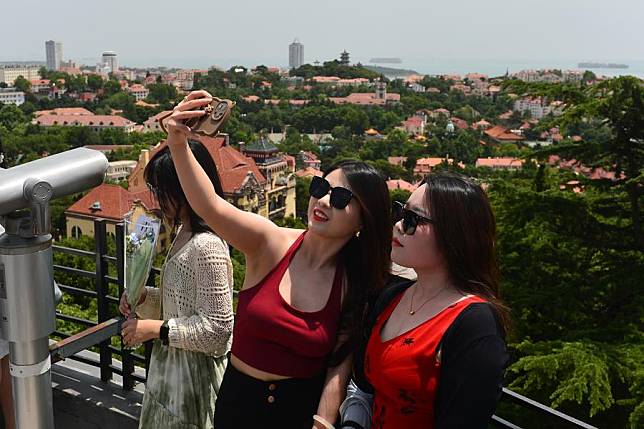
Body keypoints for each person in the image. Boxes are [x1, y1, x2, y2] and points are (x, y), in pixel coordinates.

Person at [163, 90, 392, 429]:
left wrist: (325, 420)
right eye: (320, 187)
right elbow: (209, 205)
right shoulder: (270, 243)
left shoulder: (351, 280)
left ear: (364, 221)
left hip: (299, 412)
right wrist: (177, 142)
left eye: (341, 197)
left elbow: (339, 364)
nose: (324, 200)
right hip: (239, 405)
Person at [341, 171, 509, 429]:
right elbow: (364, 387)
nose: (397, 225)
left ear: (453, 234)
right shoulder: (392, 297)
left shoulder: (475, 325)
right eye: (400, 213)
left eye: (411, 219)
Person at [119, 140, 234, 428]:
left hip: (193, 381)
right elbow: (181, 305)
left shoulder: (207, 245)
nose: (158, 199)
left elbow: (218, 330)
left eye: (162, 190)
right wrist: (145, 297)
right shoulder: (185, 230)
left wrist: (155, 329)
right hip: (173, 373)